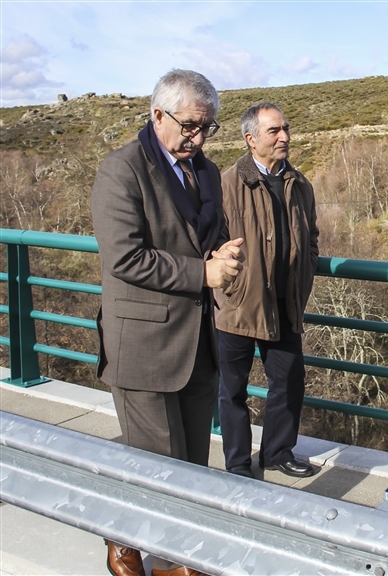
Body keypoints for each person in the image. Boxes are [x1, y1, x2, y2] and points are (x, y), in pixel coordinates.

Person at [91, 69, 243, 576]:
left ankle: (175, 554)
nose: (197, 138)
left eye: (207, 128)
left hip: (198, 341)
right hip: (143, 344)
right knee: (155, 460)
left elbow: (208, 233)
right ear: (157, 114)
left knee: (193, 462)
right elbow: (125, 258)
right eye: (190, 126)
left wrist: (221, 250)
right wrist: (204, 271)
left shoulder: (206, 171)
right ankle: (137, 546)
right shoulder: (121, 170)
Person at [215, 102, 319, 479]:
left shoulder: (300, 184)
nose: (285, 137)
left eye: (285, 129)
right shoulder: (227, 184)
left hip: (285, 306)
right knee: (234, 390)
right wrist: (235, 282)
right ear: (250, 139)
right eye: (274, 131)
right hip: (239, 305)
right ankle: (238, 463)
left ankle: (277, 452)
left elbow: (312, 239)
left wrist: (306, 271)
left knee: (289, 382)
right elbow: (213, 242)